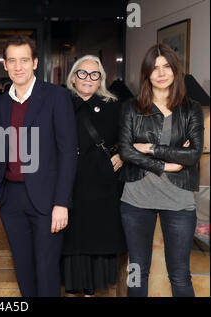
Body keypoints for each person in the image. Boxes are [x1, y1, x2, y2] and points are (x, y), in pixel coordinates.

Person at [0, 35, 77, 297]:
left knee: (47, 269)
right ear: (5, 65)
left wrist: (61, 203)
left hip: (47, 199)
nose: (19, 67)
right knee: (24, 268)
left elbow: (68, 153)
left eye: (25, 60)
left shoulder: (56, 97)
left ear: (35, 62)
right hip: (11, 199)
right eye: (13, 61)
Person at [119, 44, 204, 297]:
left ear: (175, 71)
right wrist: (166, 163)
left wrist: (151, 148)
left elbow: (193, 155)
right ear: (147, 74)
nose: (161, 73)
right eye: (155, 68)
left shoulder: (192, 109)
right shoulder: (131, 108)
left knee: (179, 275)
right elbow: (126, 151)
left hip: (179, 200)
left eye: (166, 66)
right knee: (137, 270)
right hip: (136, 199)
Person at [61, 55, 127, 297]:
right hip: (69, 182)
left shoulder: (114, 106)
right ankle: (71, 289)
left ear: (101, 78)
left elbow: (128, 139)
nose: (88, 79)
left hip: (101, 183)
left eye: (94, 74)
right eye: (82, 73)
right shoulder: (62, 102)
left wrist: (122, 157)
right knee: (71, 239)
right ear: (73, 76)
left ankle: (90, 292)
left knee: (96, 238)